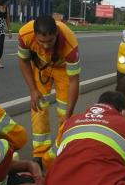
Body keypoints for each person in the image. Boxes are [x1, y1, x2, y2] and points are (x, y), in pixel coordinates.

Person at [18, 15, 80, 165]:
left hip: (62, 69)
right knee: (38, 106)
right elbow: (23, 61)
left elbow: (74, 81)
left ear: (56, 33)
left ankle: (61, 151)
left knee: (64, 112)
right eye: (41, 42)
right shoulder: (25, 35)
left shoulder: (70, 44)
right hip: (41, 67)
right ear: (34, 35)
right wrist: (33, 90)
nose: (46, 46)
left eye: (50, 41)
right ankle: (40, 154)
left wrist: (69, 115)